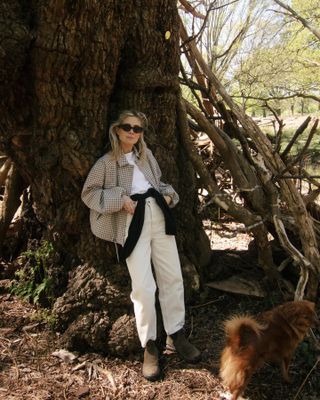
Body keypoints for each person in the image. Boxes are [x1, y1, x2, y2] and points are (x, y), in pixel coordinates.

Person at [81, 110, 201, 381]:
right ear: (117, 129)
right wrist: (120, 199)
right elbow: (89, 193)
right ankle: (149, 345)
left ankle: (176, 334)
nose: (133, 132)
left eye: (138, 129)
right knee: (143, 286)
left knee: (172, 276)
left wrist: (169, 198)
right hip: (132, 221)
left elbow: (159, 184)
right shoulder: (106, 163)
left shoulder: (145, 157)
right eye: (127, 127)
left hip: (158, 214)